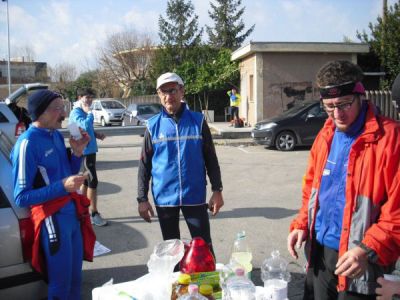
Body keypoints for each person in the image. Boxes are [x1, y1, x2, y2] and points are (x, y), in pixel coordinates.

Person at [287, 60, 400, 299]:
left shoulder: (391, 139)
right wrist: (301, 224)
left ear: (360, 95)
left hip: (363, 259)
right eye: (329, 106)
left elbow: (397, 212)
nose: (337, 114)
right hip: (320, 254)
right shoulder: (326, 135)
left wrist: (368, 249)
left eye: (344, 104)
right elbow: (312, 189)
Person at [11, 89, 96, 299]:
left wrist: (76, 153)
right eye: (58, 109)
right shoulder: (27, 143)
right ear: (41, 113)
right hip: (52, 219)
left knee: (76, 281)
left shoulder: (56, 135)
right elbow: (21, 196)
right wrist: (61, 187)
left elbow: (66, 173)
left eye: (63, 107)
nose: (64, 113)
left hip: (72, 216)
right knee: (60, 285)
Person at [137, 72, 224, 254]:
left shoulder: (198, 121)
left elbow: (211, 158)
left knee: (203, 247)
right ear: (159, 95)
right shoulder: (152, 126)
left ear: (182, 91)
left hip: (194, 195)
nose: (169, 96)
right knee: (171, 251)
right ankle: (177, 282)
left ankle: (207, 280)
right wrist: (142, 199)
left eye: (173, 90)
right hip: (165, 198)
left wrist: (217, 191)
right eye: (164, 92)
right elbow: (145, 165)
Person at [69, 88, 107, 226]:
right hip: (84, 151)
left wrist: (96, 134)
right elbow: (84, 124)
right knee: (93, 180)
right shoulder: (76, 112)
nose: (89, 100)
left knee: (86, 181)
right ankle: (94, 213)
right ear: (80, 97)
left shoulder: (82, 111)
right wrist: (90, 112)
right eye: (87, 97)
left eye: (91, 97)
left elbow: (86, 128)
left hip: (90, 150)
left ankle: (83, 210)